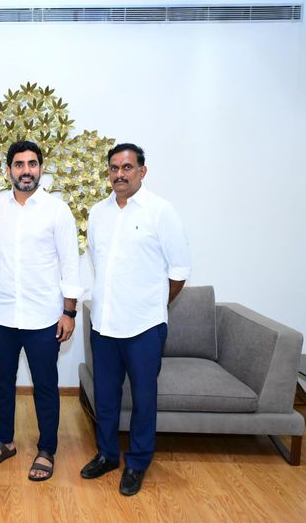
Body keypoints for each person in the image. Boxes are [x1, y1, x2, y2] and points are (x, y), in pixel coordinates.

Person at [80, 143, 191, 496]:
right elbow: (95, 264)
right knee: (106, 397)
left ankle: (138, 462)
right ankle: (108, 455)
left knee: (144, 399)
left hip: (144, 327)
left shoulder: (162, 212)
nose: (119, 174)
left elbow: (179, 272)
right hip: (104, 325)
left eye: (127, 168)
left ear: (142, 171)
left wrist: (153, 305)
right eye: (114, 168)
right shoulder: (98, 213)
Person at [0, 140, 82, 482]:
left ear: (41, 168)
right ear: (9, 170)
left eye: (32, 164)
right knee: (2, 382)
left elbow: (70, 262)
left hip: (43, 317)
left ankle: (46, 448)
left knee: (46, 385)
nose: (26, 170)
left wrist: (70, 312)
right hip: (0, 315)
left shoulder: (56, 210)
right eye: (19, 164)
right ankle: (4, 441)